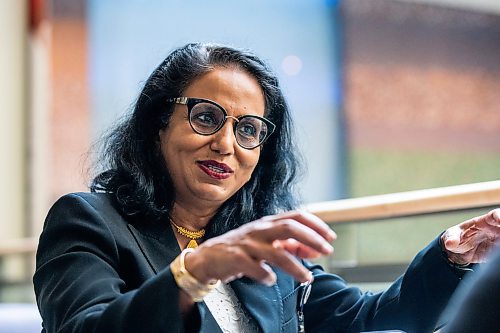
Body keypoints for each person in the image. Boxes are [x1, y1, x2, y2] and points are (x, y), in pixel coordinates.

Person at [33, 43, 500, 333]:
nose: (225, 144)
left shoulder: (261, 242)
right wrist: (194, 270)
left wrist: (449, 257)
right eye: (206, 118)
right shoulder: (89, 220)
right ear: (159, 124)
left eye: (249, 129)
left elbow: (366, 319)